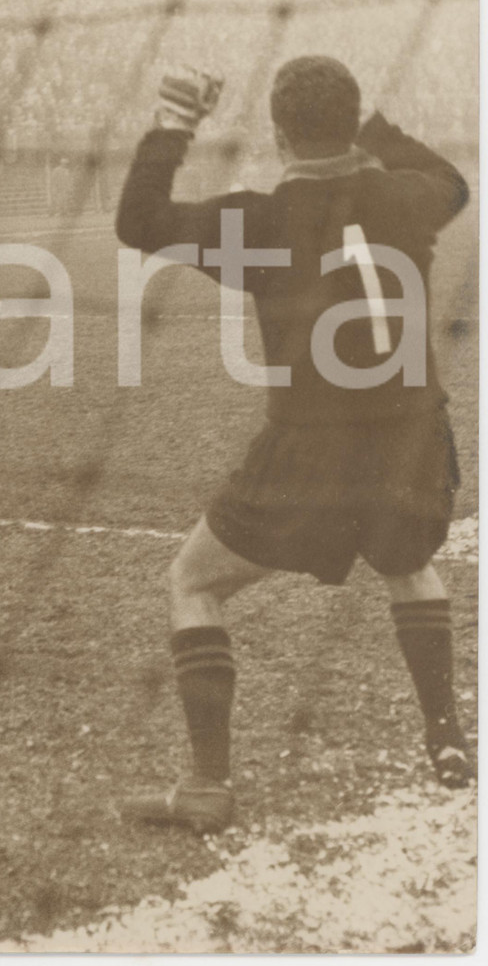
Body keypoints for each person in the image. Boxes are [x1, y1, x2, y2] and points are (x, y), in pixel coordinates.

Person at [115, 57, 472, 835]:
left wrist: (176, 120)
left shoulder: (259, 221)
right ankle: (446, 737)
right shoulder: (408, 198)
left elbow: (138, 222)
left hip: (310, 448)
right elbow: (452, 178)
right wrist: (373, 128)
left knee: (192, 581)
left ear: (279, 136)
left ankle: (209, 784)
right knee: (408, 563)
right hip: (414, 435)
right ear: (354, 126)